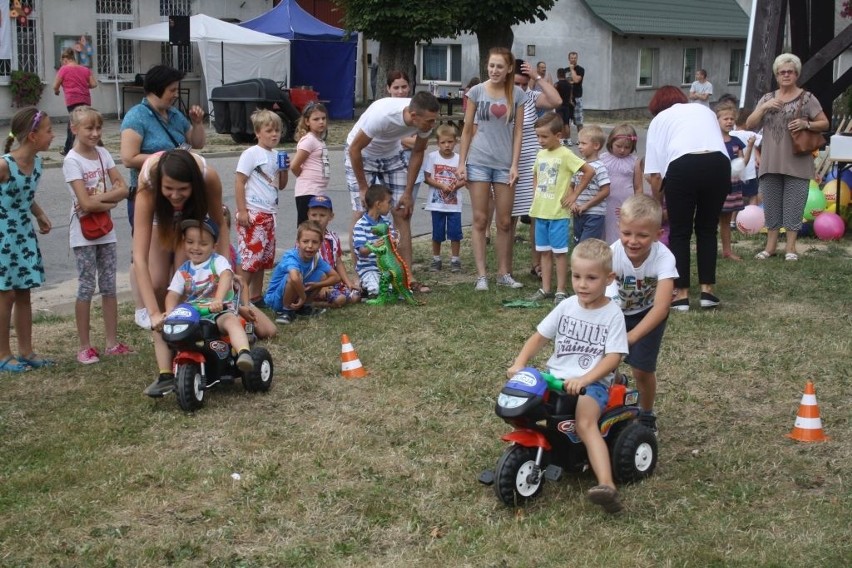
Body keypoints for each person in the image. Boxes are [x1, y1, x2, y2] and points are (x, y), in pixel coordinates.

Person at [508, 238, 628, 514]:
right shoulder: (567, 306)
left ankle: (607, 485)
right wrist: (520, 362)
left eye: (591, 278)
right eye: (576, 276)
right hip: (556, 378)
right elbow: (539, 337)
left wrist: (586, 379)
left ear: (609, 278)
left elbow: (613, 357)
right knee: (523, 406)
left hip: (592, 384)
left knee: (586, 423)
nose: (582, 284)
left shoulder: (612, 314)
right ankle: (531, 450)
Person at [133, 149, 226, 397]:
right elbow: (139, 257)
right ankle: (167, 328)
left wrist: (225, 268)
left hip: (193, 215)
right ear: (161, 184)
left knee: (185, 276)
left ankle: (188, 337)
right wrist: (153, 313)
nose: (175, 195)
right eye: (169, 188)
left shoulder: (208, 177)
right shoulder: (148, 184)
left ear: (193, 184)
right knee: (159, 280)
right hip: (158, 218)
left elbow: (221, 223)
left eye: (182, 189)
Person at [120, 64, 207, 330]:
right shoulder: (137, 117)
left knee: (175, 258)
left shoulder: (174, 115)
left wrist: (197, 123)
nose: (174, 94)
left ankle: (172, 308)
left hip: (177, 198)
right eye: (172, 90)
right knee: (144, 256)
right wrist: (167, 160)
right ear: (157, 89)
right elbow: (128, 157)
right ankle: (143, 308)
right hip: (149, 195)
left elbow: (197, 143)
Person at [345, 90, 439, 293]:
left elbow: (418, 151)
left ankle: (408, 277)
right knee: (361, 213)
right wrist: (363, 188)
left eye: (434, 120)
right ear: (414, 116)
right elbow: (354, 150)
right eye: (429, 121)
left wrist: (407, 192)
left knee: (401, 211)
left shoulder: (424, 119)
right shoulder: (382, 116)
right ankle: (358, 277)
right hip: (362, 154)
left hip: (391, 155)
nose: (432, 125)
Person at [644, 85, 729, 312]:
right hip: (720, 164)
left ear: (656, 107)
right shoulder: (704, 110)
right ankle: (707, 292)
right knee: (707, 229)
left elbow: (655, 175)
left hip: (683, 166)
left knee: (680, 232)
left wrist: (658, 205)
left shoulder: (659, 120)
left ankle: (681, 295)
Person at [62, 106, 133, 364]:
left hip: (106, 231)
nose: (94, 133)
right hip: (84, 234)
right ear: (74, 129)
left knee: (109, 286)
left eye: (98, 128)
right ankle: (84, 345)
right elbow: (85, 204)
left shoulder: (103, 153)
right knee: (86, 287)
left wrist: (100, 200)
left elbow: (123, 189)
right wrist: (105, 201)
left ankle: (112, 342)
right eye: (88, 128)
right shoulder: (72, 161)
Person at [746, 53, 829, 261]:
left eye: (790, 72)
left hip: (797, 160)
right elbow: (749, 124)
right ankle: (770, 247)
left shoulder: (807, 98)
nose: (786, 75)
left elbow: (825, 123)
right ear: (776, 75)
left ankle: (791, 248)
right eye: (782, 72)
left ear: (797, 74)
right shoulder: (767, 98)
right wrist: (765, 107)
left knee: (794, 205)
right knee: (772, 205)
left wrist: (806, 124)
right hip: (770, 160)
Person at [458, 47, 527, 291]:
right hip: (478, 161)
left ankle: (503, 273)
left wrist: (515, 165)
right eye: (491, 65)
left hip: (504, 164)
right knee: (480, 218)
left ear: (509, 68)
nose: (495, 70)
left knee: (505, 222)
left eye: (500, 66)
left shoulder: (517, 94)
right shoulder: (476, 91)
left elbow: (518, 131)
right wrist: (461, 163)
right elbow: (466, 129)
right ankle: (481, 275)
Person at [608, 194, 677, 435]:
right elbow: (604, 300)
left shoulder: (664, 257)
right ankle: (614, 396)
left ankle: (646, 414)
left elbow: (661, 307)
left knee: (642, 370)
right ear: (619, 227)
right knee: (607, 365)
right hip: (616, 313)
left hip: (649, 315)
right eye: (627, 233)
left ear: (658, 234)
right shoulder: (611, 255)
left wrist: (633, 336)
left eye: (642, 235)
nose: (633, 241)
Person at [0, 108, 54, 372]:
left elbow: (24, 194)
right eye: (48, 130)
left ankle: (26, 350)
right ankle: (2, 354)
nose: (53, 135)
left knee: (23, 292)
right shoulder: (4, 164)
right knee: (5, 294)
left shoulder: (38, 164)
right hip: (2, 236)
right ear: (33, 136)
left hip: (22, 234)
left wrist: (40, 213)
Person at [165, 216, 254, 373]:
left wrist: (218, 299)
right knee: (172, 331)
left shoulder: (217, 261)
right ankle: (171, 368)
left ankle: (243, 353)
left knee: (231, 321)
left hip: (217, 311)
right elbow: (172, 294)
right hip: (193, 315)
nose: (196, 247)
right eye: (190, 242)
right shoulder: (183, 270)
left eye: (203, 243)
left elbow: (226, 276)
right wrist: (170, 311)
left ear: (214, 246)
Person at [528, 113, 593, 304]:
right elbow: (535, 175)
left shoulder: (566, 154)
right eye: (538, 136)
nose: (540, 140)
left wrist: (574, 195)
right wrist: (535, 194)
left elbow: (589, 171)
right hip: (541, 212)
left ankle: (560, 291)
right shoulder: (540, 154)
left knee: (560, 253)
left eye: (544, 136)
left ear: (558, 135)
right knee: (544, 252)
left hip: (558, 214)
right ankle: (546, 289)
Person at [513, 59, 564, 280]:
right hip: (510, 163)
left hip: (534, 163)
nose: (521, 88)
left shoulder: (531, 97)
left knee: (537, 215)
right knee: (507, 218)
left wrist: (537, 78)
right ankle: (505, 269)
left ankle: (536, 264)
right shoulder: (501, 99)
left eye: (524, 84)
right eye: (516, 83)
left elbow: (556, 100)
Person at [234, 109, 289, 306]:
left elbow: (281, 186)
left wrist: (284, 171)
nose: (274, 134)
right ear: (258, 132)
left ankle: (256, 296)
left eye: (277, 130)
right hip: (253, 212)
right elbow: (240, 181)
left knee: (263, 260)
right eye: (269, 130)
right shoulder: (251, 154)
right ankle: (239, 298)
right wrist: (242, 210)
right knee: (250, 259)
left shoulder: (276, 155)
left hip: (269, 214)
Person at [264, 221, 340, 325]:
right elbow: (294, 278)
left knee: (321, 274)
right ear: (298, 243)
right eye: (305, 241)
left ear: (320, 244)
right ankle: (285, 311)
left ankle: (304, 307)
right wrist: (303, 296)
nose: (310, 246)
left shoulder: (316, 259)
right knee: (294, 276)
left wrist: (317, 285)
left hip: (297, 294)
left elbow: (336, 277)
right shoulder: (291, 256)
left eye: (314, 242)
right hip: (275, 300)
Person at [220, 204, 277, 340]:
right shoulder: (206, 255)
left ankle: (246, 324)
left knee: (270, 331)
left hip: (237, 300)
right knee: (240, 330)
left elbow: (242, 282)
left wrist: (246, 305)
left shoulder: (233, 252)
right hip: (221, 304)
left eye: (223, 230)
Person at [422, 125, 464, 273]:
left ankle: (455, 259)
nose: (447, 145)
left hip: (454, 205)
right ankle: (436, 259)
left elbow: (464, 178)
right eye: (443, 142)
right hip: (437, 205)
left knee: (455, 233)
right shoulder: (433, 157)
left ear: (456, 142)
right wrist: (441, 185)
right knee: (437, 232)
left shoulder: (459, 159)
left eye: (450, 142)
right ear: (438, 142)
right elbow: (426, 178)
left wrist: (455, 186)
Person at [306, 195, 360, 307]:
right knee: (340, 299)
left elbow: (338, 262)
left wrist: (348, 282)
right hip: (315, 283)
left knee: (356, 296)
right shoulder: (305, 239)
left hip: (333, 281)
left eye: (322, 215)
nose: (317, 218)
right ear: (308, 215)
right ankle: (313, 303)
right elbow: (305, 265)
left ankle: (332, 298)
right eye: (314, 215)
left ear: (331, 216)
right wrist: (321, 285)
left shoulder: (333, 237)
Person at [716, 101, 753, 261]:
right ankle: (707, 248)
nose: (729, 121)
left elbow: (742, 163)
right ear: (716, 120)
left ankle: (727, 251)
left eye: (732, 118)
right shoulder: (712, 141)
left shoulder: (736, 142)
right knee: (710, 220)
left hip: (732, 186)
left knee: (725, 221)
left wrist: (750, 147)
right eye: (725, 118)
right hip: (715, 185)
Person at [353, 184, 398, 298]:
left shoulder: (386, 223)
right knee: (376, 289)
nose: (390, 206)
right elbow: (362, 251)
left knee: (395, 289)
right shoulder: (360, 225)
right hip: (368, 268)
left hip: (385, 268)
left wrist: (394, 240)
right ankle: (364, 289)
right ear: (378, 204)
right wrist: (373, 246)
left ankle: (377, 290)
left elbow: (393, 242)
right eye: (388, 202)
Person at [602, 124, 643, 244]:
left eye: (627, 147)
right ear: (610, 143)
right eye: (618, 146)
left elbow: (638, 187)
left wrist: (634, 207)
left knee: (619, 231)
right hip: (605, 204)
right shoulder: (603, 159)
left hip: (623, 206)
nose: (622, 150)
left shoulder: (635, 162)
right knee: (604, 231)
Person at [569, 125, 611, 244]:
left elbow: (605, 191)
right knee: (578, 244)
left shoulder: (600, 167)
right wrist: (572, 203)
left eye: (583, 143)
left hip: (594, 214)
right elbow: (571, 185)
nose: (579, 146)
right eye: (579, 143)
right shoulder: (579, 165)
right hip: (578, 212)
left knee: (587, 246)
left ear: (596, 146)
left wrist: (586, 205)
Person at [52, 47, 97, 156]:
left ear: (65, 59)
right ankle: (87, 146)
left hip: (72, 100)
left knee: (74, 124)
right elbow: (94, 84)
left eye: (62, 61)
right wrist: (83, 86)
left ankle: (69, 149)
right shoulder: (85, 70)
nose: (62, 63)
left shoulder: (64, 69)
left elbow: (55, 86)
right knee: (84, 122)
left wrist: (57, 91)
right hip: (85, 100)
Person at [291, 102, 330, 226]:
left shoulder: (318, 140)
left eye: (323, 118)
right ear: (307, 122)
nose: (321, 122)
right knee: (307, 228)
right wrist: (304, 178)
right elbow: (294, 166)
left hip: (318, 190)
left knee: (318, 228)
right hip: (308, 191)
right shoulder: (309, 140)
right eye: (316, 119)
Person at [731, 108, 762, 210]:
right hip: (749, 173)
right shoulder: (750, 134)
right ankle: (753, 215)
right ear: (747, 122)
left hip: (734, 174)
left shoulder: (731, 134)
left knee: (736, 196)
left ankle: (732, 220)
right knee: (753, 196)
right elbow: (764, 140)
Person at [565, 51, 585, 145]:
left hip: (577, 97)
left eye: (575, 58)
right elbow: (566, 82)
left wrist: (572, 70)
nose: (573, 59)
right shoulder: (565, 70)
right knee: (566, 120)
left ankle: (580, 139)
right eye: (571, 58)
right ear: (568, 59)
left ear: (577, 58)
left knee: (579, 121)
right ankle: (567, 139)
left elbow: (576, 80)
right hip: (567, 98)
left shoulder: (581, 69)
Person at [554, 68, 573, 143]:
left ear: (558, 74)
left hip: (559, 106)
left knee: (560, 123)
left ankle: (561, 139)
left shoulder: (557, 84)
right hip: (567, 106)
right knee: (566, 123)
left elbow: (554, 95)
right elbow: (571, 97)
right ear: (565, 75)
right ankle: (569, 140)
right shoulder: (569, 84)